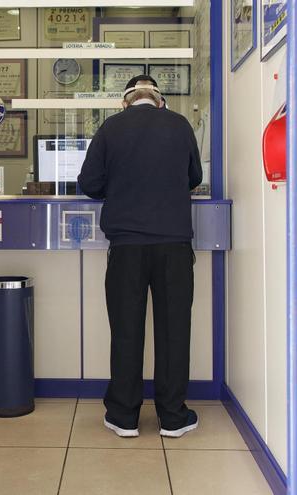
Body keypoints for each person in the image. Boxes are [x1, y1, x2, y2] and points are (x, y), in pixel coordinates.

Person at [77, 75, 204, 439]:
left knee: (127, 330)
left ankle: (124, 416)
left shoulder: (110, 128)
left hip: (126, 246)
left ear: (125, 102)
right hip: (174, 245)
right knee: (174, 330)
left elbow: (89, 183)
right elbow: (194, 176)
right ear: (160, 101)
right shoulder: (180, 125)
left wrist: (119, 185)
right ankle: (173, 417)